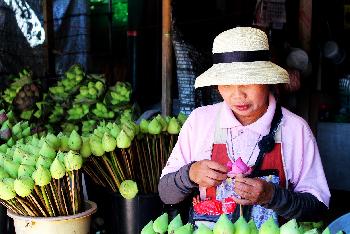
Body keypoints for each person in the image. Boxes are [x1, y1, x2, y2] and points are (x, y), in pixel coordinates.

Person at [158, 27, 330, 228]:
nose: (238, 95)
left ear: (267, 81)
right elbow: (165, 193)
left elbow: (318, 209)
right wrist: (189, 174)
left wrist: (272, 196)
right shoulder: (200, 122)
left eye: (248, 82)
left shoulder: (295, 129)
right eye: (227, 84)